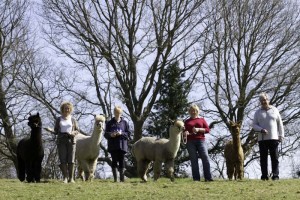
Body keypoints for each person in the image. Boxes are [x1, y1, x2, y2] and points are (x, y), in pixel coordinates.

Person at [252, 92, 284, 181]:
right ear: (260, 102)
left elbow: (280, 123)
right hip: (262, 139)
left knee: (275, 158)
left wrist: (281, 135)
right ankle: (264, 176)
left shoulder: (275, 110)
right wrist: (261, 129)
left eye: (265, 100)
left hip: (274, 138)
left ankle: (275, 175)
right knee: (263, 159)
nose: (263, 102)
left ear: (268, 100)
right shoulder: (257, 112)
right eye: (261, 100)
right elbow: (254, 125)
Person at [183, 104, 213, 182]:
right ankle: (196, 179)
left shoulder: (202, 120)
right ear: (189, 112)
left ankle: (208, 178)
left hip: (201, 140)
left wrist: (199, 129)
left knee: (205, 157)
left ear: (197, 111)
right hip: (190, 142)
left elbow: (207, 130)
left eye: (194, 110)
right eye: (191, 111)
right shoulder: (187, 121)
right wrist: (185, 132)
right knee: (193, 159)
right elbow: (184, 131)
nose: (193, 112)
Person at [53, 101, 79, 183]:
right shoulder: (58, 119)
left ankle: (71, 178)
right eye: (65, 108)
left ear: (70, 109)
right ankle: (65, 177)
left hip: (71, 140)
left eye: (68, 108)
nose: (67, 110)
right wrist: (51, 130)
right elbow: (56, 130)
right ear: (62, 109)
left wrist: (73, 133)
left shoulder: (73, 119)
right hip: (61, 140)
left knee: (71, 160)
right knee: (62, 159)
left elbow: (77, 130)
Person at [104, 106, 131, 182]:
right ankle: (116, 179)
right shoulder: (109, 123)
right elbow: (105, 134)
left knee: (122, 161)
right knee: (114, 161)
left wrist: (121, 133)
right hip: (113, 146)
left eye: (118, 113)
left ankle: (122, 179)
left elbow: (128, 133)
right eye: (116, 112)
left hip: (122, 145)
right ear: (114, 113)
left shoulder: (125, 123)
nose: (117, 114)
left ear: (121, 113)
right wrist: (111, 135)